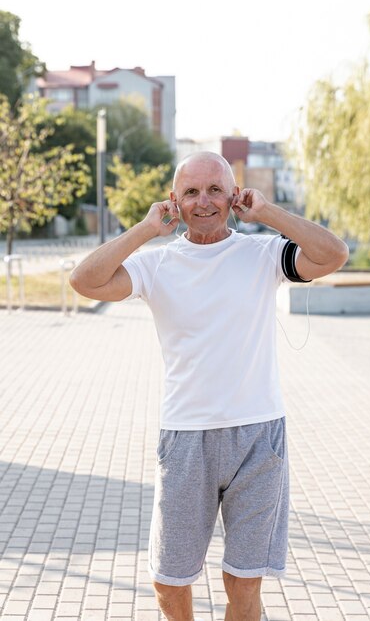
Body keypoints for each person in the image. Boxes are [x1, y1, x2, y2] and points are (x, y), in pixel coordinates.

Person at [70, 151, 349, 621]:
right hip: (185, 439)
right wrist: (144, 230)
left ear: (233, 194)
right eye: (191, 192)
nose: (204, 202)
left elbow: (334, 254)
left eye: (215, 189)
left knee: (243, 580)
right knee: (169, 581)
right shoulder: (157, 264)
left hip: (259, 438)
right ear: (174, 202)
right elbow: (84, 280)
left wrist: (267, 213)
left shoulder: (262, 254)